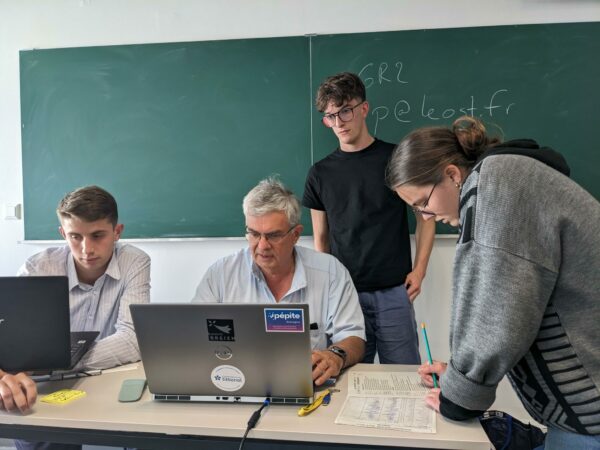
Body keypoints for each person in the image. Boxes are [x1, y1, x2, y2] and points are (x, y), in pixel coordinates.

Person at [386, 116, 600, 449]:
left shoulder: (497, 185)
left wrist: (459, 396)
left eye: (423, 203)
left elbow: (495, 308)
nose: (426, 217)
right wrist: (458, 377)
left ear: (452, 175)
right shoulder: (507, 176)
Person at [1, 185, 151, 450]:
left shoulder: (135, 262)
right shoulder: (38, 267)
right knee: (40, 436)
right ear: (63, 233)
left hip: (107, 380)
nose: (86, 249)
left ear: (117, 232)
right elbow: (10, 342)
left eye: (97, 236)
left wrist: (55, 360)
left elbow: (131, 339)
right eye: (75, 237)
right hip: (46, 388)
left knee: (142, 432)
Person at [303, 72, 435, 365]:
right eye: (330, 116)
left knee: (403, 378)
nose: (339, 123)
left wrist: (420, 270)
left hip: (395, 292)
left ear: (364, 108)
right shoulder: (320, 174)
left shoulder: (396, 159)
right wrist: (327, 290)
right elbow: (321, 240)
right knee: (347, 379)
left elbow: (426, 217)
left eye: (345, 111)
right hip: (346, 296)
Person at [193, 177, 365, 385]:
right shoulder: (221, 274)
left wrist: (335, 355)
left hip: (308, 384)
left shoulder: (330, 272)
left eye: (273, 236)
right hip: (235, 381)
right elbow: (195, 334)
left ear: (296, 234)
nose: (262, 246)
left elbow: (353, 336)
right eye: (254, 234)